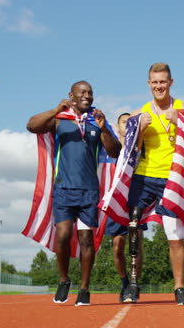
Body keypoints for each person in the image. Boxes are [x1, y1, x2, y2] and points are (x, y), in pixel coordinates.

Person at [25, 81, 121, 306]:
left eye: (90, 93)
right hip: (64, 189)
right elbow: (31, 125)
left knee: (86, 239)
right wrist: (56, 110)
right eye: (83, 93)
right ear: (72, 95)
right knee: (63, 235)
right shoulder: (60, 119)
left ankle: (85, 288)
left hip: (88, 190)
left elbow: (115, 151)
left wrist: (105, 127)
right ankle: (63, 279)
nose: (87, 96)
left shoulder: (96, 121)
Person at [116, 62, 184, 305]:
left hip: (173, 176)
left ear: (171, 82)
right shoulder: (139, 113)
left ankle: (179, 288)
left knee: (175, 234)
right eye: (155, 82)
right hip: (143, 176)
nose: (159, 86)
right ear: (148, 84)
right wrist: (139, 130)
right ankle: (133, 285)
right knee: (134, 230)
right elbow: (130, 148)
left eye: (163, 81)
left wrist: (181, 121)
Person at [100, 113, 146, 302]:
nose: (128, 125)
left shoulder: (139, 148)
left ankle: (135, 282)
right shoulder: (110, 148)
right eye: (124, 122)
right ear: (118, 127)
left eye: (131, 123)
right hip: (117, 201)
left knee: (137, 242)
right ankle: (124, 281)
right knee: (118, 246)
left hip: (135, 199)